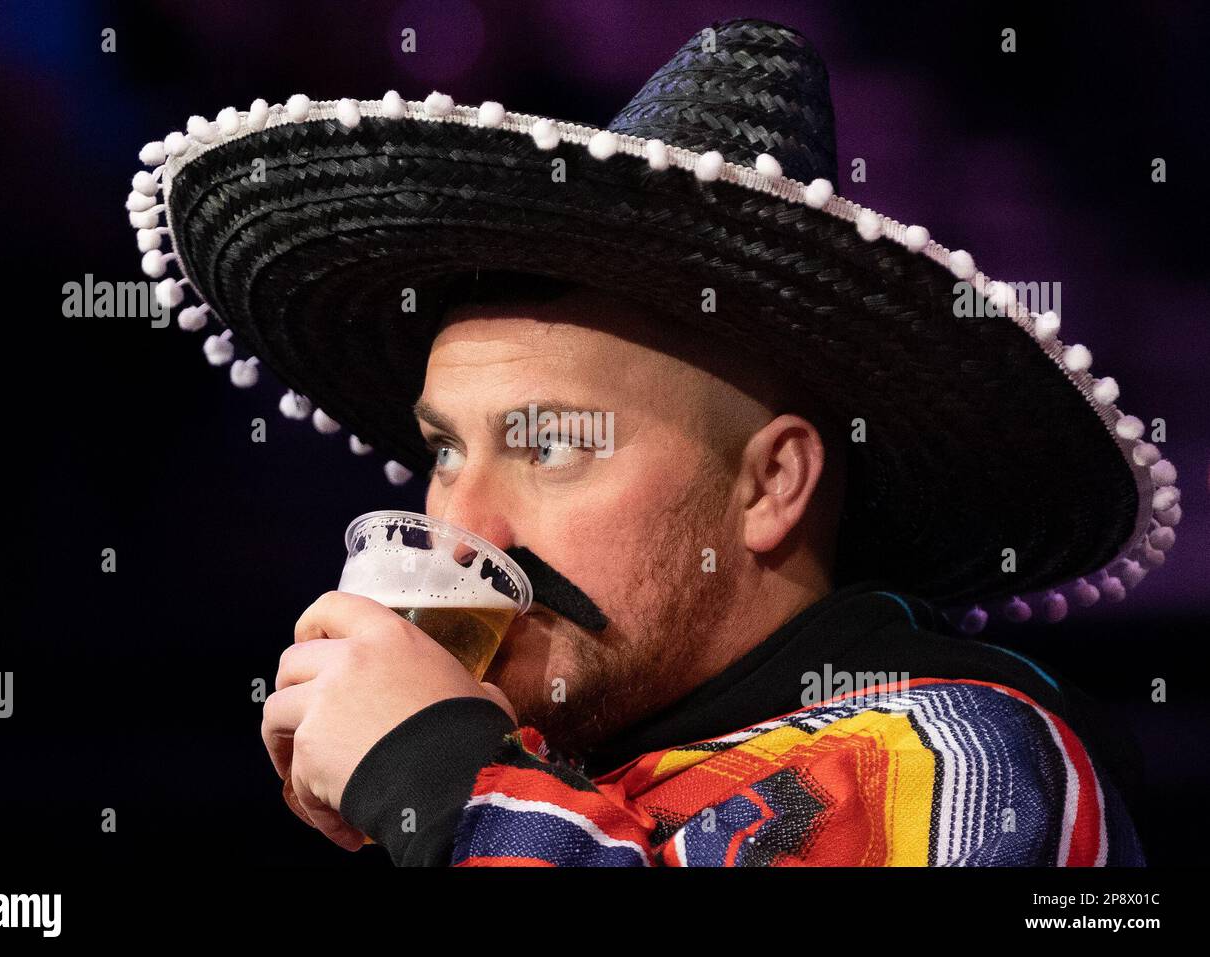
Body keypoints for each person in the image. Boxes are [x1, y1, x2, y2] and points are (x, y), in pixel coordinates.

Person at [126, 18, 1179, 865]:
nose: (465, 526)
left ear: (772, 485)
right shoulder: (554, 787)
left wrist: (440, 781)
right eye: (445, 451)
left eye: (550, 447)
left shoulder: (965, 761)